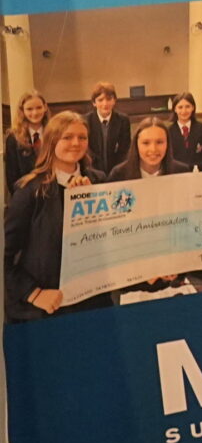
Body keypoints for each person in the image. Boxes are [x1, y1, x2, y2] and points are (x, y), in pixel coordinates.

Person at [5, 111, 91, 321]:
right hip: (47, 308)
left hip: (93, 304)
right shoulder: (29, 191)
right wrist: (34, 293)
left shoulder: (99, 182)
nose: (76, 143)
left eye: (82, 137)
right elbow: (5, 255)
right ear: (51, 141)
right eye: (67, 137)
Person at [108, 117, 192, 179]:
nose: (153, 149)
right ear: (136, 144)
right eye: (146, 143)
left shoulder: (182, 172)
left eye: (159, 142)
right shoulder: (119, 174)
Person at [82, 84, 129, 178]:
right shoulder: (85, 120)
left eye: (109, 99)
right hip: (92, 170)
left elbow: (124, 149)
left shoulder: (123, 120)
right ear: (94, 103)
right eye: (100, 100)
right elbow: (86, 149)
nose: (105, 104)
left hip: (116, 170)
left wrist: (116, 171)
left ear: (114, 101)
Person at [4, 92, 46, 186]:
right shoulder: (13, 138)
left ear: (45, 107)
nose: (35, 113)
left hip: (54, 189)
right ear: (22, 111)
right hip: (26, 189)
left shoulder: (54, 133)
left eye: (39, 107)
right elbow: (11, 174)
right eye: (29, 109)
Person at [166, 91, 202, 171]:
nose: (184, 111)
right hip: (177, 174)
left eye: (187, 106)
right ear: (175, 109)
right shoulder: (168, 131)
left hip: (198, 173)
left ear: (193, 107)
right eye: (180, 107)